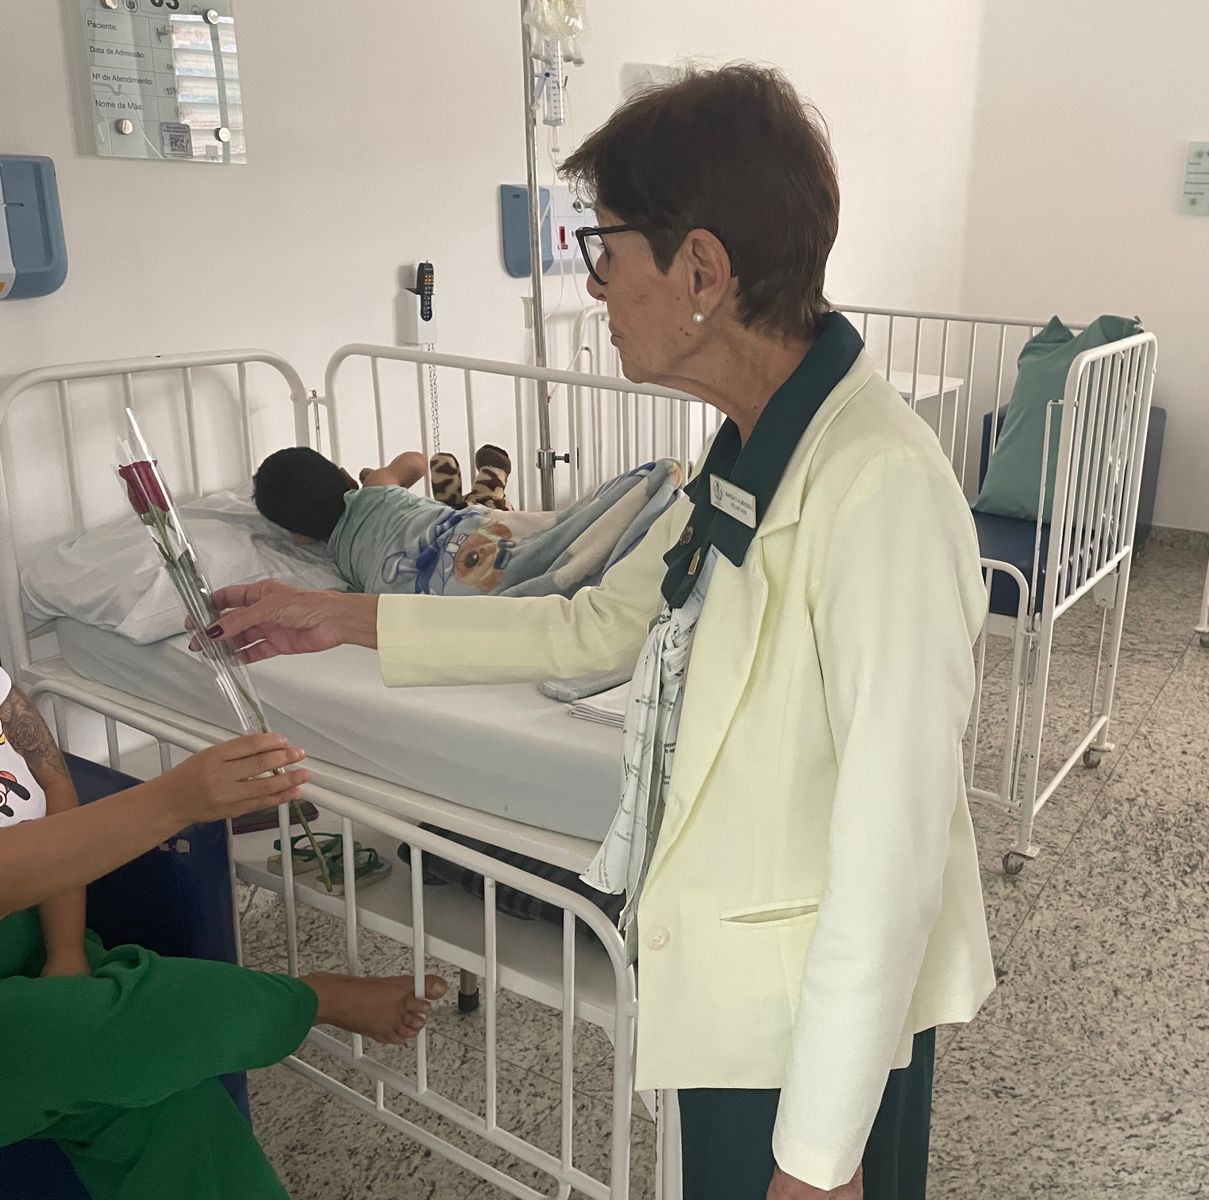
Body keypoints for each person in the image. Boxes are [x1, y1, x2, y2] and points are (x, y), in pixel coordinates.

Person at [204, 64, 993, 1200]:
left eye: (605, 249)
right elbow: (592, 627)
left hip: (814, 1033)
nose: (594, 284)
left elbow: (895, 842)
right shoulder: (752, 444)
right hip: (744, 993)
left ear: (701, 270)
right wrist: (342, 617)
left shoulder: (877, 487)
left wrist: (821, 1157)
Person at [0, 667, 447, 1199]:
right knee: (105, 1029)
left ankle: (295, 1002)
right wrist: (173, 803)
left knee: (168, 1104)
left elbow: (52, 780)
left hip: (24, 934)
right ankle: (309, 1000)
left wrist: (65, 950)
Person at [253, 444, 680, 599]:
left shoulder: (343, 562)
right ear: (345, 477)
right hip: (462, 532)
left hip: (419, 578)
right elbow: (416, 462)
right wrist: (374, 476)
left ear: (301, 536)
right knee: (542, 531)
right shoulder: (373, 489)